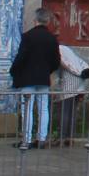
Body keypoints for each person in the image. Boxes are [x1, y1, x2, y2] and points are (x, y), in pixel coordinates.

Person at [9, 8, 61, 147]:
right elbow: (56, 61)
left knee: (28, 108)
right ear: (48, 21)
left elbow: (21, 57)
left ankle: (27, 139)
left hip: (28, 79)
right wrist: (47, 70)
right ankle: (41, 139)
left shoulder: (28, 36)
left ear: (35, 20)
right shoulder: (52, 39)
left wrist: (14, 70)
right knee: (43, 108)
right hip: (43, 78)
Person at [54, 34, 89, 146]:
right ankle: (70, 137)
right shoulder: (67, 49)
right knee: (72, 110)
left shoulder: (58, 49)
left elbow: (63, 63)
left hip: (70, 79)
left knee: (64, 109)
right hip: (80, 80)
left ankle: (62, 137)